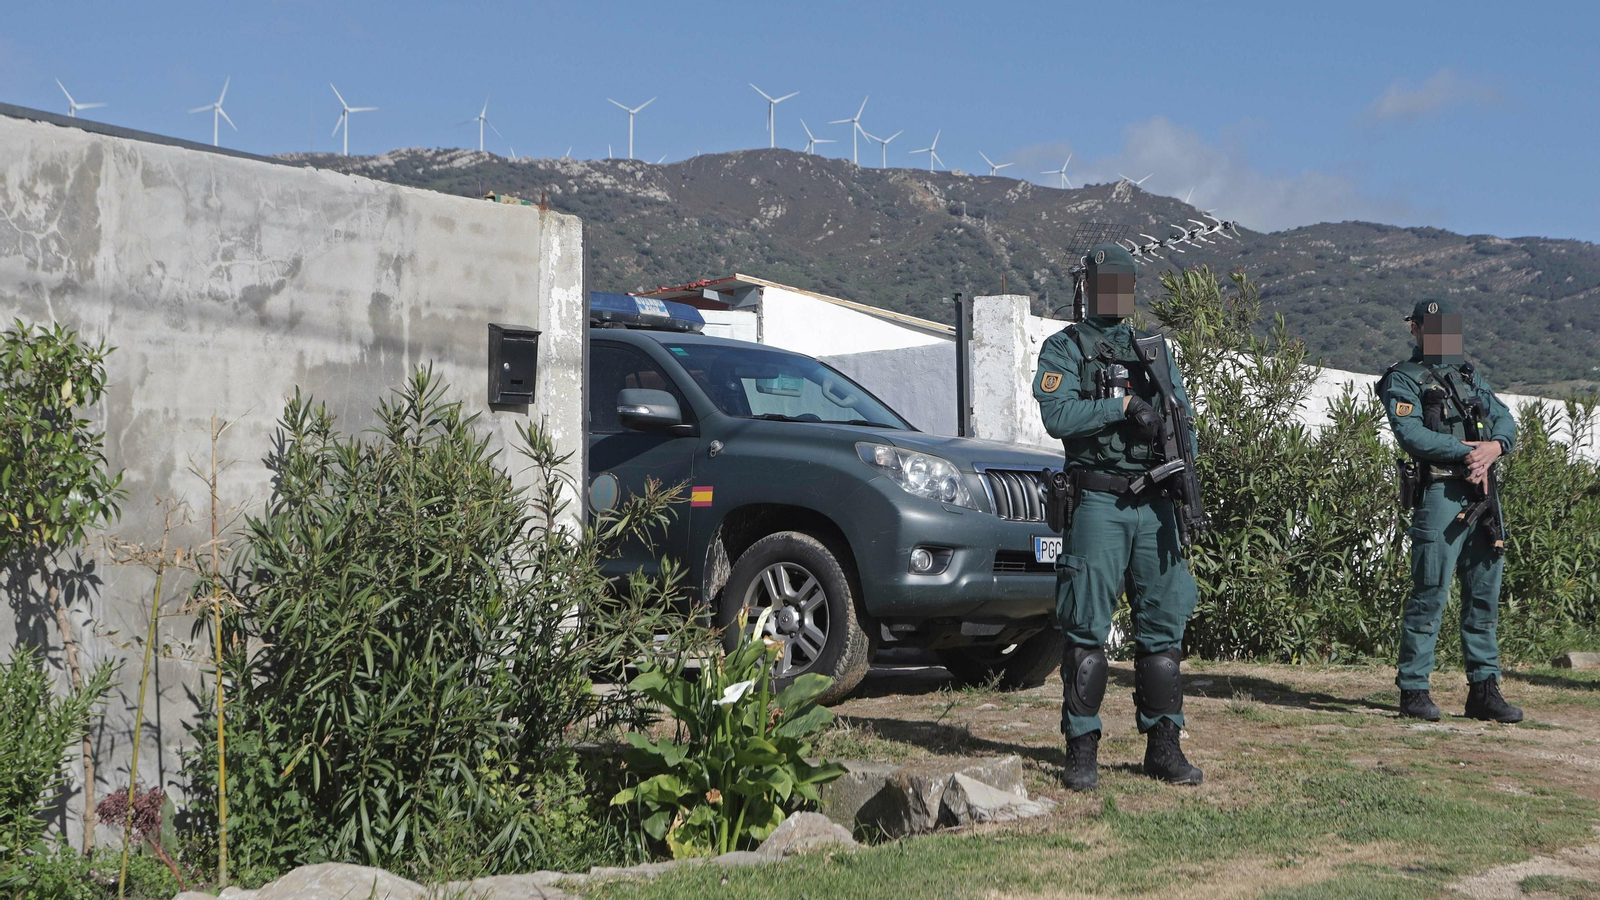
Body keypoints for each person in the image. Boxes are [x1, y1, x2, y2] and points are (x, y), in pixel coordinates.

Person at [1031, 242, 1203, 791]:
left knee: (1163, 629)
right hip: (1099, 500)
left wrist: (1184, 471)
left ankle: (1164, 745)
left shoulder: (1153, 350)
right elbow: (1059, 416)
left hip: (1156, 501)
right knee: (1086, 629)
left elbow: (1181, 414)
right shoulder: (1064, 348)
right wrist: (1123, 408)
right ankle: (1082, 749)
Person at [1379, 298, 1522, 724]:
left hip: (1484, 494)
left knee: (1484, 597)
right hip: (1442, 491)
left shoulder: (1468, 373)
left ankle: (1483, 690)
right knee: (1429, 593)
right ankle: (1415, 690)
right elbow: (1412, 435)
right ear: (1416, 330)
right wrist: (1470, 452)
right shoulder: (1401, 379)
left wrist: (1495, 447)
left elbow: (1504, 419)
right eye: (1431, 327)